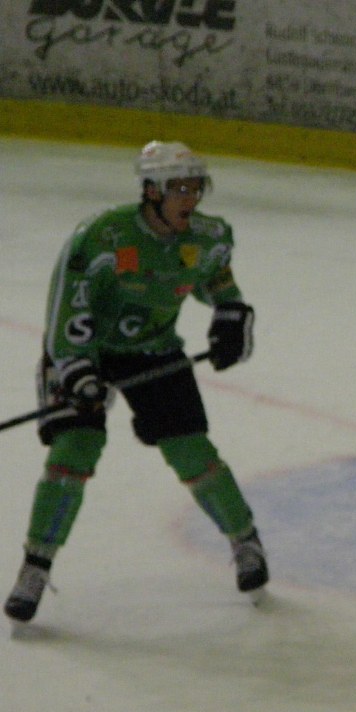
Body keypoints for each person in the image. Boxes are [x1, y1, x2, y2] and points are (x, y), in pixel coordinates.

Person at [4, 141, 268, 624]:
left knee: (191, 449)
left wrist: (231, 313)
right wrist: (77, 372)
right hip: (84, 350)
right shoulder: (101, 237)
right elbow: (66, 310)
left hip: (154, 347)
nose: (190, 198)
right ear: (151, 191)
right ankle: (35, 566)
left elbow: (215, 279)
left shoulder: (209, 236)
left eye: (196, 187)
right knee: (74, 450)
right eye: (179, 188)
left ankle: (245, 541)